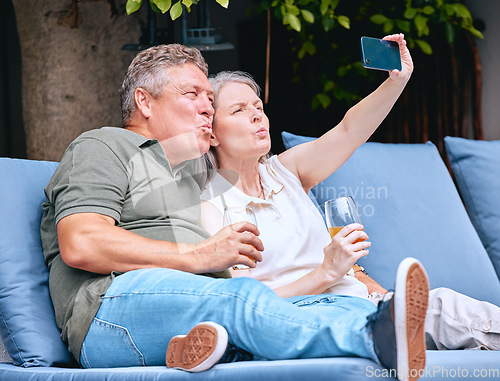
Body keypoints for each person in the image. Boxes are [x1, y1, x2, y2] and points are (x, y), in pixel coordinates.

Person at [41, 42, 429, 380]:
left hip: (186, 309)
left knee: (329, 303)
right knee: (236, 297)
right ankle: (372, 338)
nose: (206, 108)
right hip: (108, 309)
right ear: (144, 101)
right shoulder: (104, 145)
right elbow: (81, 241)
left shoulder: (190, 172)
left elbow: (341, 134)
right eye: (192, 94)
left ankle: (200, 348)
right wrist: (199, 255)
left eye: (210, 101)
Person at [199, 36, 500, 352]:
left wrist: (396, 82)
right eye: (238, 110)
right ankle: (386, 334)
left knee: (451, 308)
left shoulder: (286, 171)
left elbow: (348, 131)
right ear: (213, 134)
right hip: (303, 315)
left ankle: (391, 326)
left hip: (358, 301)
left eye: (258, 107)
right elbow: (241, 305)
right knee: (364, 324)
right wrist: (326, 273)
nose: (257, 115)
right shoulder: (212, 205)